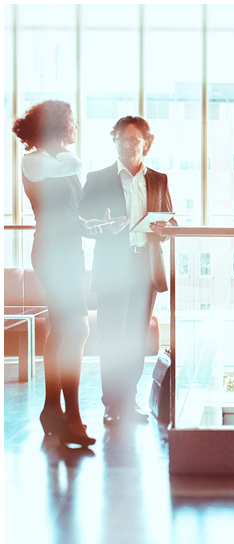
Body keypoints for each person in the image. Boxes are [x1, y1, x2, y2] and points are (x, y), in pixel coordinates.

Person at [13, 100, 110, 447]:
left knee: (64, 330)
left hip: (68, 251)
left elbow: (71, 210)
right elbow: (54, 204)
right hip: (53, 252)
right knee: (76, 329)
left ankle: (53, 409)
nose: (72, 128)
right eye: (68, 122)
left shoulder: (62, 165)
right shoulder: (36, 162)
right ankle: (69, 414)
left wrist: (91, 225)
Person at [79, 116, 176, 426]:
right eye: (120, 140)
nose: (126, 145)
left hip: (144, 266)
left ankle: (129, 400)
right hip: (112, 267)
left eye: (133, 141)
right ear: (114, 142)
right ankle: (112, 404)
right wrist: (104, 227)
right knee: (112, 337)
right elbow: (82, 222)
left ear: (145, 143)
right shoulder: (98, 178)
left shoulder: (158, 179)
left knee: (135, 337)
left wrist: (165, 228)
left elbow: (170, 221)